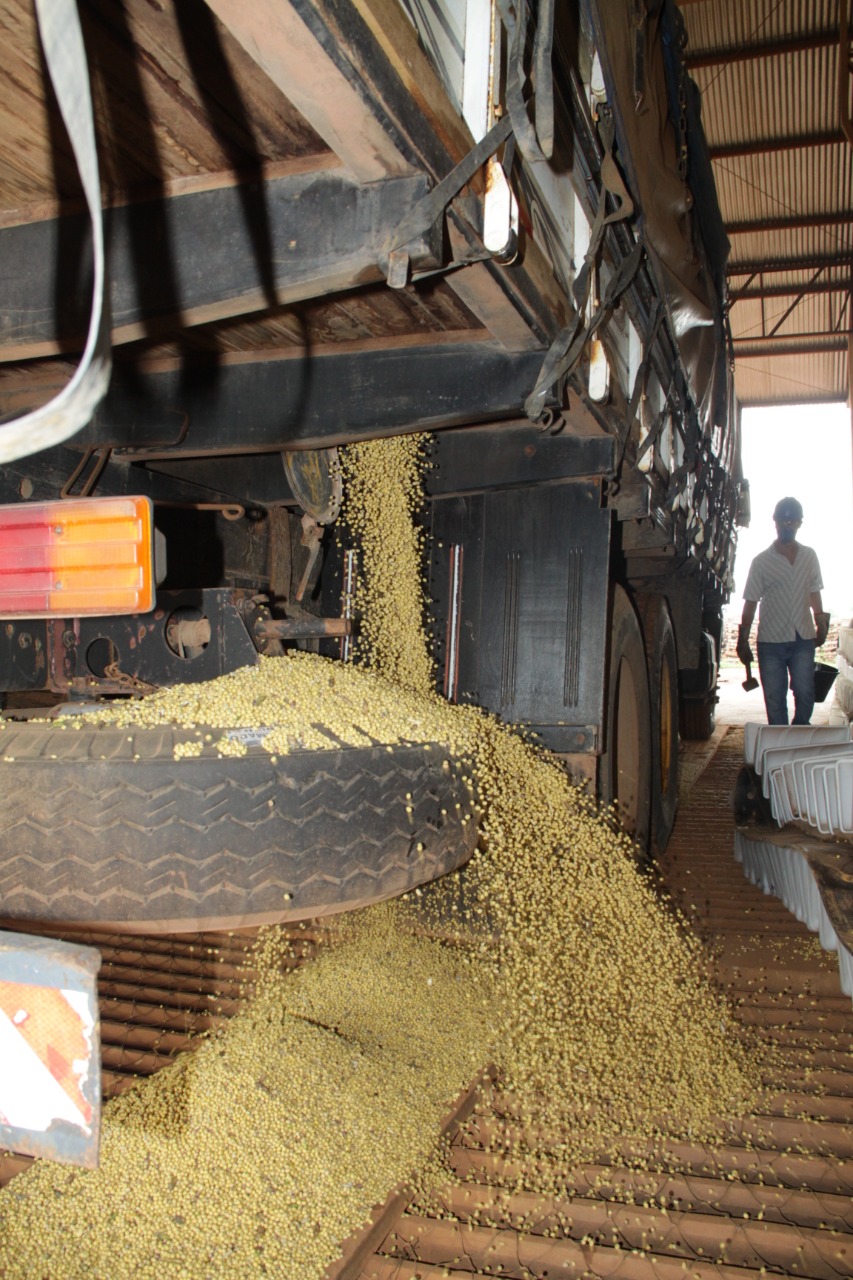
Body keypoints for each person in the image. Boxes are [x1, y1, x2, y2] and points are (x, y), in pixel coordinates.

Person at [736, 497, 830, 725]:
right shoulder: (761, 562)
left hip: (802, 638)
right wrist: (742, 639)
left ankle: (799, 735)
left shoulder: (809, 557)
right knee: (775, 700)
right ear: (774, 522)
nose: (786, 526)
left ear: (799, 523)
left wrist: (821, 622)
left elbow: (814, 592)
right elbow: (751, 602)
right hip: (771, 642)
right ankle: (781, 747)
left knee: (806, 692)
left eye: (791, 521)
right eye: (782, 521)